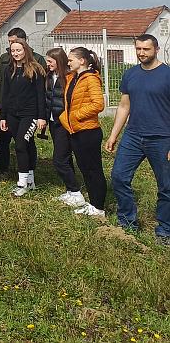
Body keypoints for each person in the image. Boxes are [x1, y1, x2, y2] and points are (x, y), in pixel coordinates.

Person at [106, 34, 170, 246]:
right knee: (119, 177)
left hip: (162, 138)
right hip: (133, 136)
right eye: (138, 49)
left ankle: (165, 230)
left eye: (146, 49)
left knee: (166, 186)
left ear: (156, 50)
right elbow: (124, 106)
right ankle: (127, 222)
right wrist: (114, 135)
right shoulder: (130, 74)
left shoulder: (167, 75)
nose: (142, 53)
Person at [59, 47, 107, 217]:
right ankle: (92, 204)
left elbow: (98, 104)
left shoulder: (90, 79)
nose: (68, 63)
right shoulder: (73, 78)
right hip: (75, 131)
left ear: (82, 61)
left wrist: (75, 116)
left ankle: (99, 207)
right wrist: (65, 118)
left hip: (89, 131)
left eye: (70, 60)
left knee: (94, 170)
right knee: (85, 170)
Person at [0, 38, 47, 196]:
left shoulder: (36, 69)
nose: (15, 53)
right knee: (28, 145)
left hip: (30, 115)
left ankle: (22, 184)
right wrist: (3, 117)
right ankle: (30, 180)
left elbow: (41, 95)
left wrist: (42, 117)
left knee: (20, 145)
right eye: (13, 51)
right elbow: (5, 94)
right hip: (12, 114)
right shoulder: (9, 69)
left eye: (18, 50)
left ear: (26, 50)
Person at [45, 48, 83, 207]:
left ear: (58, 61)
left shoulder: (69, 78)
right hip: (53, 122)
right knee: (66, 158)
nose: (47, 64)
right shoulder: (49, 76)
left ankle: (76, 192)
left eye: (50, 61)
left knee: (59, 160)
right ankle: (71, 191)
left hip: (64, 123)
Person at [0, 27, 47, 109]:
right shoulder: (4, 58)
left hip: (30, 105)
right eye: (9, 41)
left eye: (13, 41)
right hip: (8, 103)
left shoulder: (37, 59)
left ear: (23, 40)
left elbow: (42, 86)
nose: (11, 44)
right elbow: (0, 82)